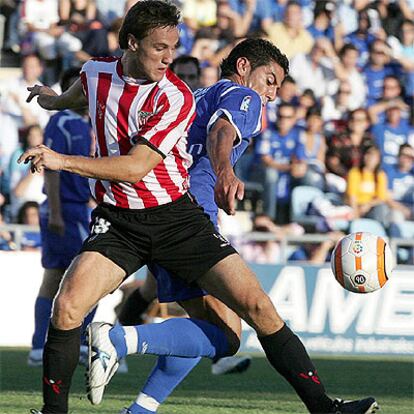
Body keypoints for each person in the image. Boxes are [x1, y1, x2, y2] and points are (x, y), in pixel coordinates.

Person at [21, 2, 378, 414]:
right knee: (66, 307)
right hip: (119, 221)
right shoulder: (97, 73)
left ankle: (125, 351)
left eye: (174, 46)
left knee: (249, 315)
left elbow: (140, 166)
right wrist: (49, 101)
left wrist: (62, 159)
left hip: (177, 219)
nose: (169, 57)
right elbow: (79, 95)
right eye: (160, 48)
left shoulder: (177, 96)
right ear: (131, 43)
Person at [117, 53, 251, 378]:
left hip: (181, 211)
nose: (190, 81)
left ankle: (116, 339)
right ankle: (116, 340)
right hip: (169, 212)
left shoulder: (199, 110)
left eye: (194, 75)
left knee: (150, 291)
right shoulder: (165, 110)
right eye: (184, 75)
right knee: (211, 300)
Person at [27, 67, 97, 368]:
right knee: (89, 276)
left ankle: (39, 345)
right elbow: (51, 167)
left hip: (77, 207)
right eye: (76, 88)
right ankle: (76, 341)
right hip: (66, 208)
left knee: (55, 277)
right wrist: (56, 211)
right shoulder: (63, 121)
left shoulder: (85, 124)